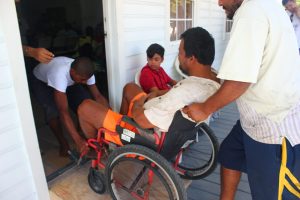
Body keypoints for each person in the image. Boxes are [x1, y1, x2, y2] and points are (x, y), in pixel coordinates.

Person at [183, 0, 300, 199]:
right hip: (256, 115)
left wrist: (204, 109)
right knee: (230, 155)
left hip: (272, 126)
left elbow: (239, 81)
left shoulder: (250, 12)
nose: (219, 2)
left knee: (269, 193)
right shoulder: (267, 5)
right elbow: (248, 69)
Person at [77, 27, 220, 156]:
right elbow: (174, 92)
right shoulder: (212, 84)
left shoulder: (183, 93)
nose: (179, 57)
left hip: (144, 133)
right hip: (160, 118)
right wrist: (158, 94)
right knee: (130, 87)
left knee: (85, 107)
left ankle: (104, 145)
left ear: (191, 58)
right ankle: (117, 123)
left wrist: (139, 103)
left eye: (180, 53)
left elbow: (141, 120)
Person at [31, 56, 109, 156]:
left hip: (70, 80)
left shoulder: (86, 73)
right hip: (40, 81)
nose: (85, 82)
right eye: (83, 80)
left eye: (87, 79)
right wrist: (77, 140)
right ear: (72, 72)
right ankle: (63, 144)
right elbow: (63, 111)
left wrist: (108, 120)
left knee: (85, 104)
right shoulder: (59, 74)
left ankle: (82, 132)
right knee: (52, 111)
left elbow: (98, 96)